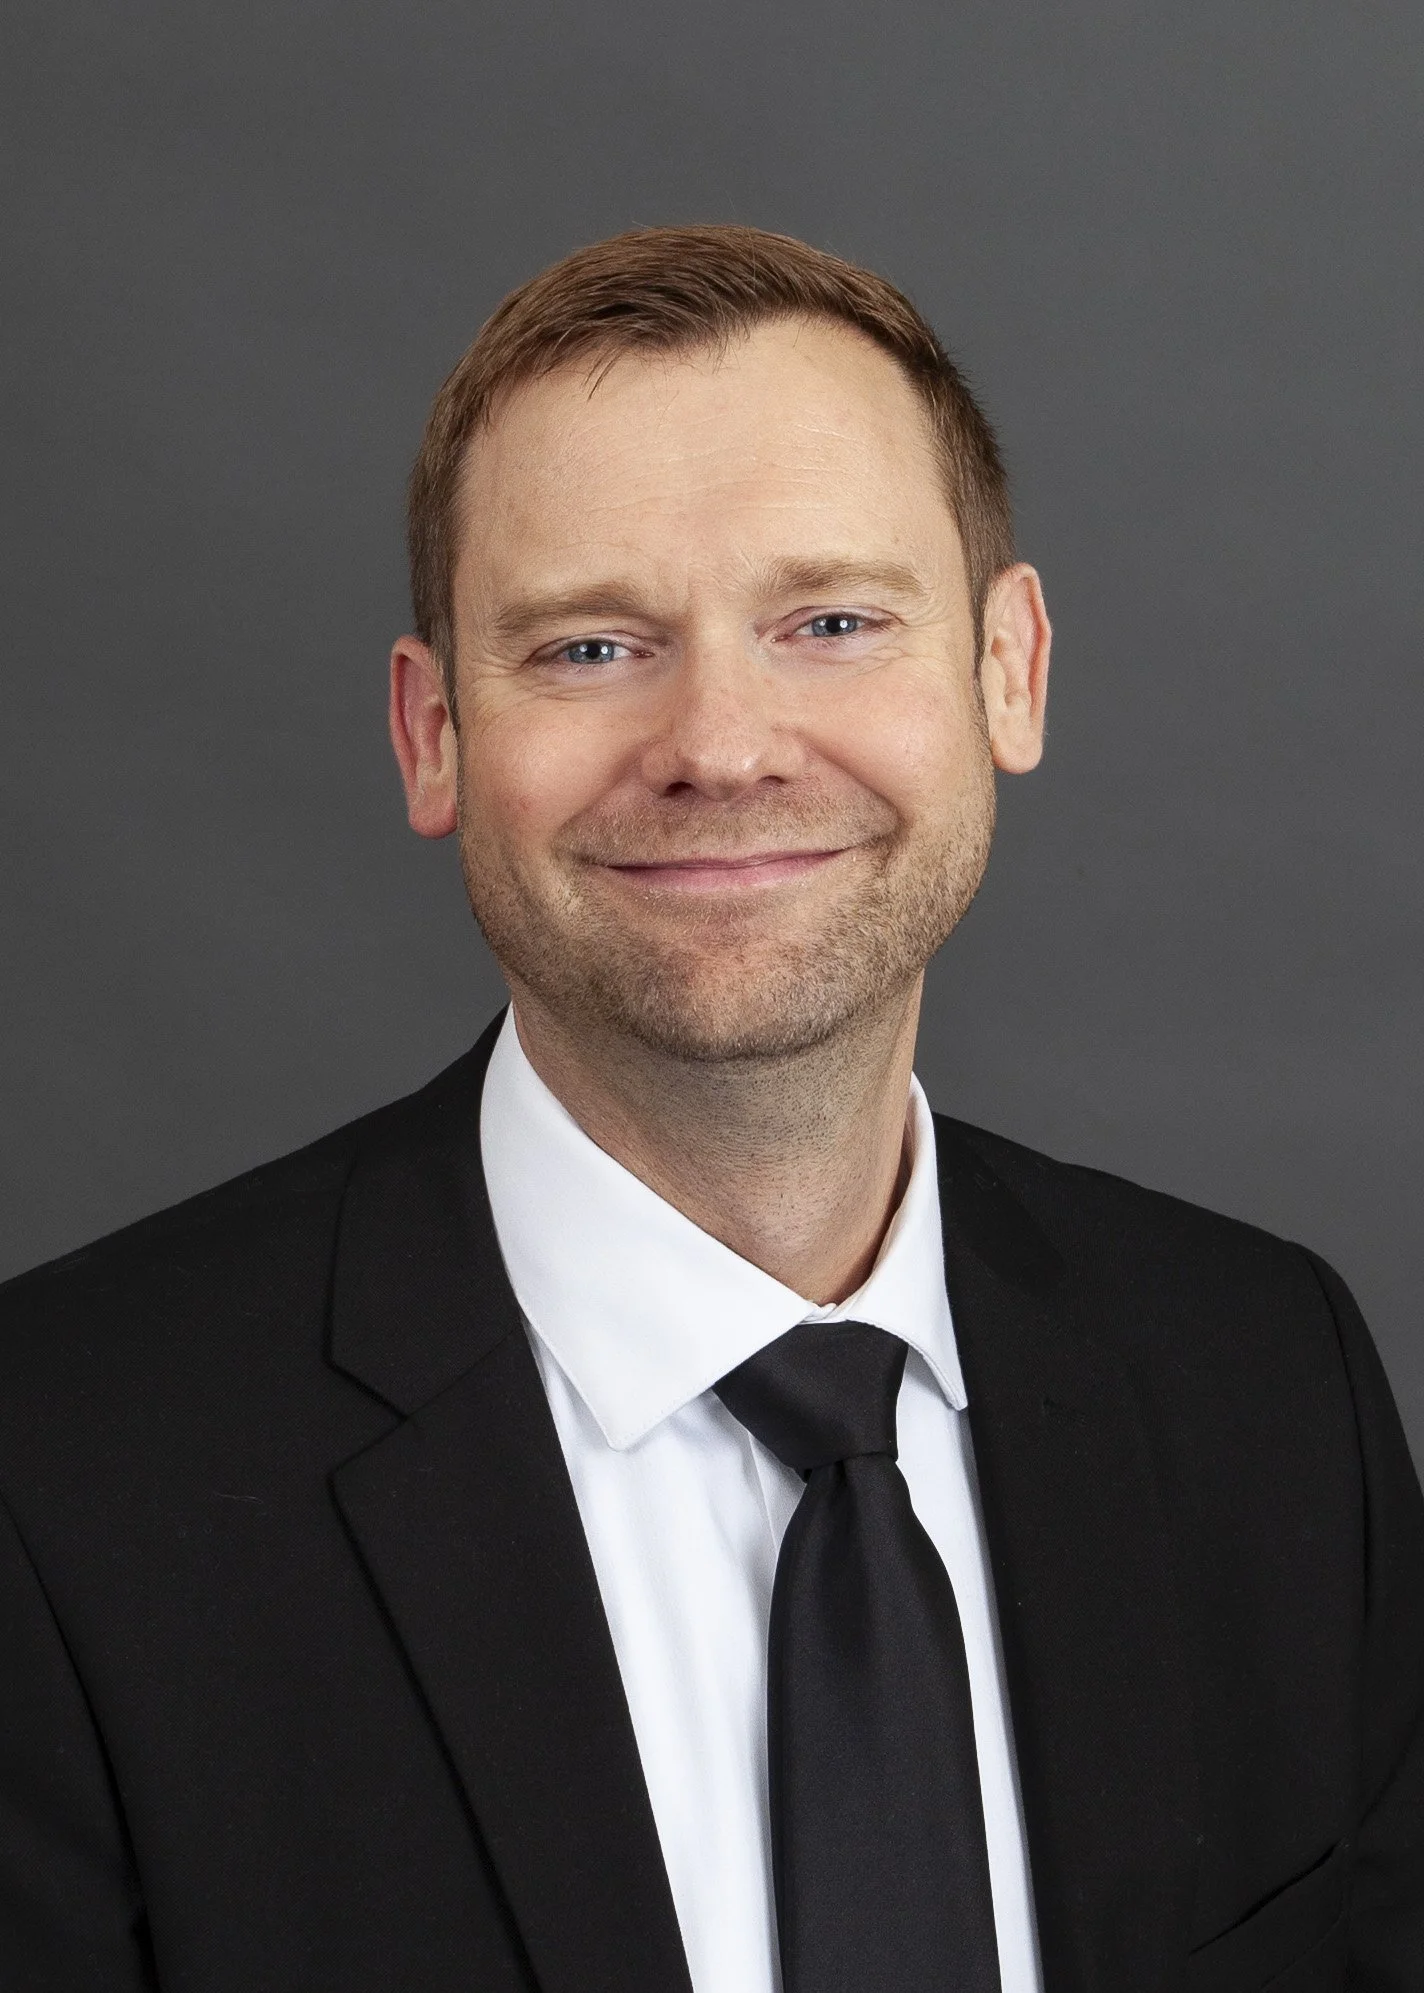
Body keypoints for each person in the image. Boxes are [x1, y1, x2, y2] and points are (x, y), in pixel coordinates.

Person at [0, 224, 1419, 1993]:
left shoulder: (1271, 1387)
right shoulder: (59, 1485)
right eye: (592, 648)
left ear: (1010, 672)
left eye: (831, 622)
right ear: (433, 735)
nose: (725, 746)